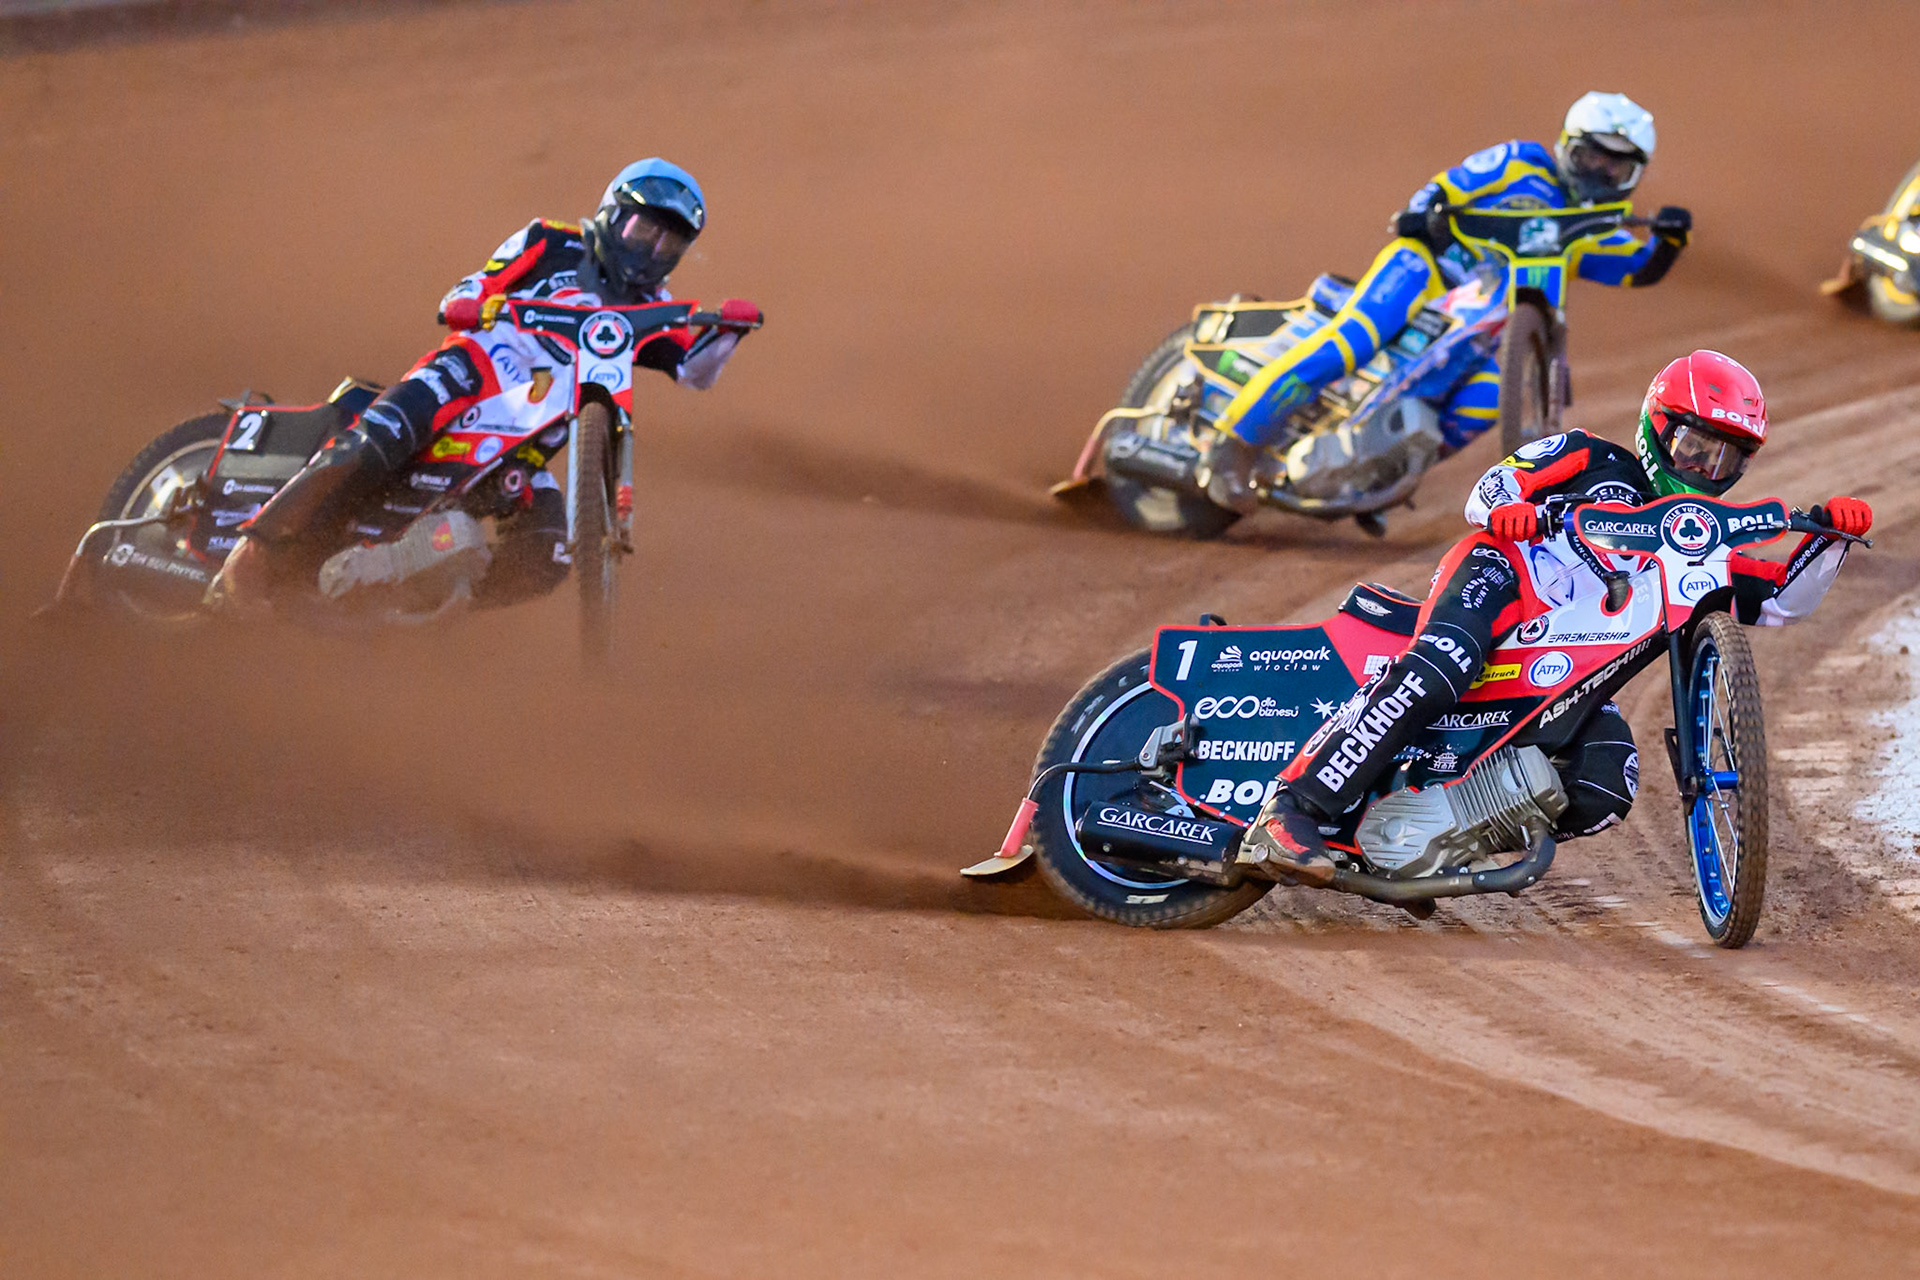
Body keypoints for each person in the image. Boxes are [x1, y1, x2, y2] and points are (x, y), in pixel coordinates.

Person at [1240, 350, 1874, 882]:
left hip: (1559, 668)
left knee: (1608, 772)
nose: (1706, 471)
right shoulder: (1589, 453)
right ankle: (1291, 808)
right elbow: (1489, 489)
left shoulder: (1699, 549)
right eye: (1694, 448)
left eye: (1726, 461)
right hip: (1501, 574)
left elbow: (1787, 599)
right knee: (1443, 665)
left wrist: (1832, 537)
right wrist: (1510, 511)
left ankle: (1424, 836)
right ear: (1658, 427)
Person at [206, 158, 761, 612]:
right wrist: (473, 302)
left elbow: (692, 371)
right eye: (645, 230)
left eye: (670, 244)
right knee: (377, 441)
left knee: (550, 557)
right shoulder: (552, 241)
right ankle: (251, 557)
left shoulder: (650, 309)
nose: (652, 250)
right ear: (612, 215)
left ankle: (426, 609)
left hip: (527, 441)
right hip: (468, 375)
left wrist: (729, 333)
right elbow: (469, 288)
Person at [1201, 91, 1693, 513]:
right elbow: (1449, 185)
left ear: (1634, 175)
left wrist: (1670, 241)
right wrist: (1422, 210)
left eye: (1617, 164)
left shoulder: (1600, 224)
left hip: (1483, 331)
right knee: (1350, 344)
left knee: (1480, 408)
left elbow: (1634, 268)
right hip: (1427, 270)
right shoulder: (1520, 161)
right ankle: (1231, 445)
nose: (1602, 170)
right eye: (1594, 156)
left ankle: (1374, 477)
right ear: (1569, 145)